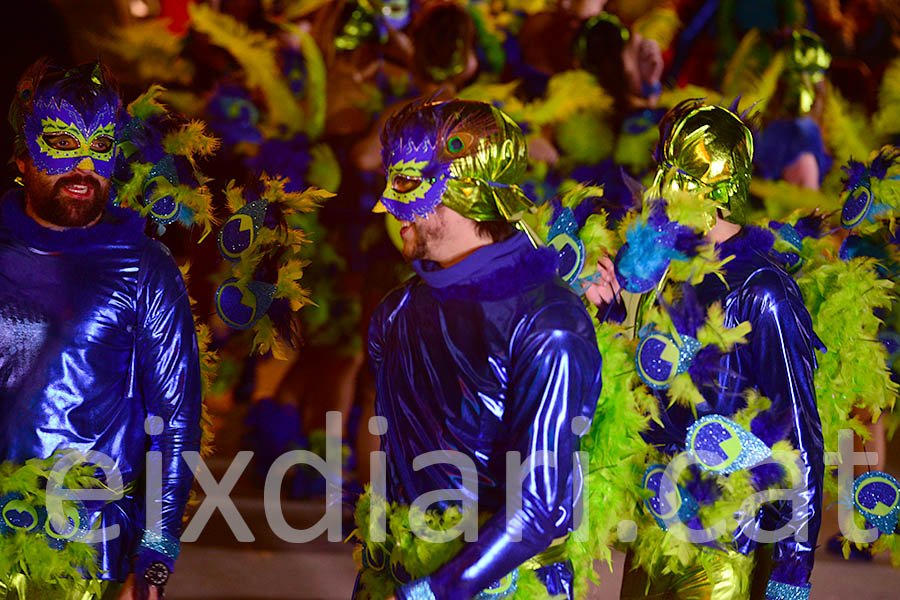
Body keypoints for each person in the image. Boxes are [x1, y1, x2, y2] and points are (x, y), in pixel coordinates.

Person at [355, 99, 603, 600]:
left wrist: (438, 591)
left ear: (463, 191)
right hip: (404, 576)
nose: (385, 203)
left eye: (404, 184)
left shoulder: (548, 320)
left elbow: (540, 503)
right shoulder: (396, 312)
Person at [590, 100, 824, 600]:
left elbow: (801, 435)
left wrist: (792, 568)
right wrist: (605, 304)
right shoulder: (665, 268)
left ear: (713, 192)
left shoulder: (763, 291)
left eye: (674, 178)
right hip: (654, 528)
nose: (656, 193)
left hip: (725, 544)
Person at [0, 59, 201, 599]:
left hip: (93, 558)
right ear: (22, 155)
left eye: (100, 146)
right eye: (62, 143)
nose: (84, 166)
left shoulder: (145, 268)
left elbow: (174, 421)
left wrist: (156, 556)